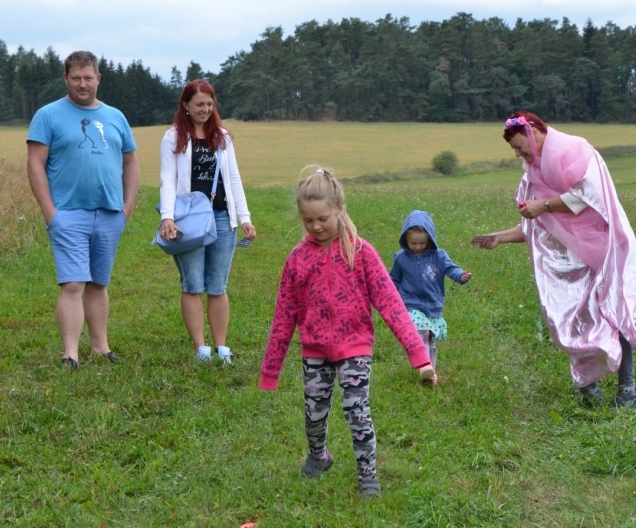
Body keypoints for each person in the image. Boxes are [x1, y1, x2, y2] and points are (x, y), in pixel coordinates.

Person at [259, 166, 434, 499]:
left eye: (322, 219)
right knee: (314, 414)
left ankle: (368, 475)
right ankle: (319, 455)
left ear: (339, 209)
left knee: (357, 411)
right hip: (314, 350)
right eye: (308, 220)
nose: (315, 226)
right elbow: (284, 315)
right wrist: (271, 369)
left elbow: (392, 305)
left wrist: (419, 355)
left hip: (356, 347)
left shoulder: (362, 253)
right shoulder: (297, 259)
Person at [471, 111, 636, 408]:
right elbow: (535, 226)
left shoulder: (573, 151)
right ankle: (589, 389)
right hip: (570, 261)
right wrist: (499, 237)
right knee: (576, 317)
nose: (517, 154)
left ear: (534, 134)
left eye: (519, 146)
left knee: (613, 312)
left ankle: (628, 390)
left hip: (602, 248)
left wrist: (544, 205)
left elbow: (588, 196)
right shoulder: (534, 174)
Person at [26, 50, 139, 370]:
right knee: (73, 283)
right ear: (66, 78)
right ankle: (70, 354)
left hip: (109, 213)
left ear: (98, 78)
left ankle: (100, 348)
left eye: (88, 77)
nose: (82, 84)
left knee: (99, 284)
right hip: (68, 213)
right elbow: (35, 164)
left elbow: (130, 163)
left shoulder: (116, 117)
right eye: (75, 78)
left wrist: (126, 208)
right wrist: (51, 212)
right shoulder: (48, 115)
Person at [158, 79, 256, 362]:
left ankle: (221, 347)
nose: (205, 109)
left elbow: (233, 178)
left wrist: (245, 217)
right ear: (186, 106)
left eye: (209, 104)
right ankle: (201, 348)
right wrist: (167, 216)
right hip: (188, 218)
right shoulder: (173, 137)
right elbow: (168, 178)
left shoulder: (222, 137)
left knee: (217, 285)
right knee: (192, 283)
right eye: (199, 104)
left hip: (222, 216)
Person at [390, 210, 472, 385]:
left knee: (430, 339)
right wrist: (391, 299)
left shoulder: (439, 255)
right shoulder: (401, 258)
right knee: (421, 330)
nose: (418, 247)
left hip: (432, 305)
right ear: (405, 240)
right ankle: (424, 365)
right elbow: (393, 280)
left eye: (422, 243)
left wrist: (460, 276)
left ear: (430, 239)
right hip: (410, 304)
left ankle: (430, 375)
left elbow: (451, 268)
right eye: (413, 243)